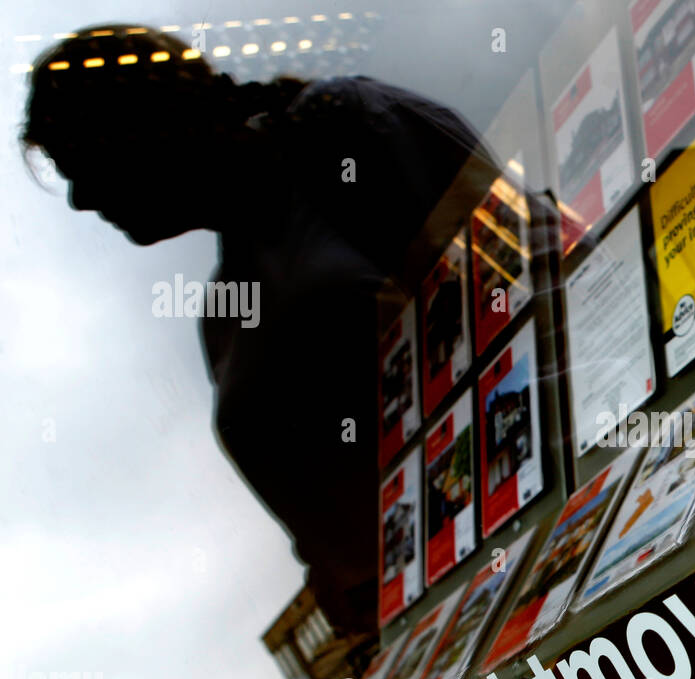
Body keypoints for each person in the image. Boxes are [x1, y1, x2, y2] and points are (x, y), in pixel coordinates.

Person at [23, 25, 502, 634]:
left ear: (143, 125)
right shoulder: (224, 313)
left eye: (80, 162)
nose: (79, 200)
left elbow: (529, 276)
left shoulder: (345, 131)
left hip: (535, 536)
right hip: (437, 627)